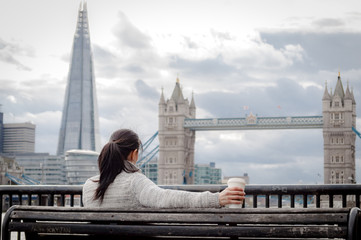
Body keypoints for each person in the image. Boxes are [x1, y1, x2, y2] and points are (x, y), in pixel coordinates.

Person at [82, 129, 245, 208]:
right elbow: (165, 198)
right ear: (134, 154)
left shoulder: (89, 185)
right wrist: (216, 199)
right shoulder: (135, 182)